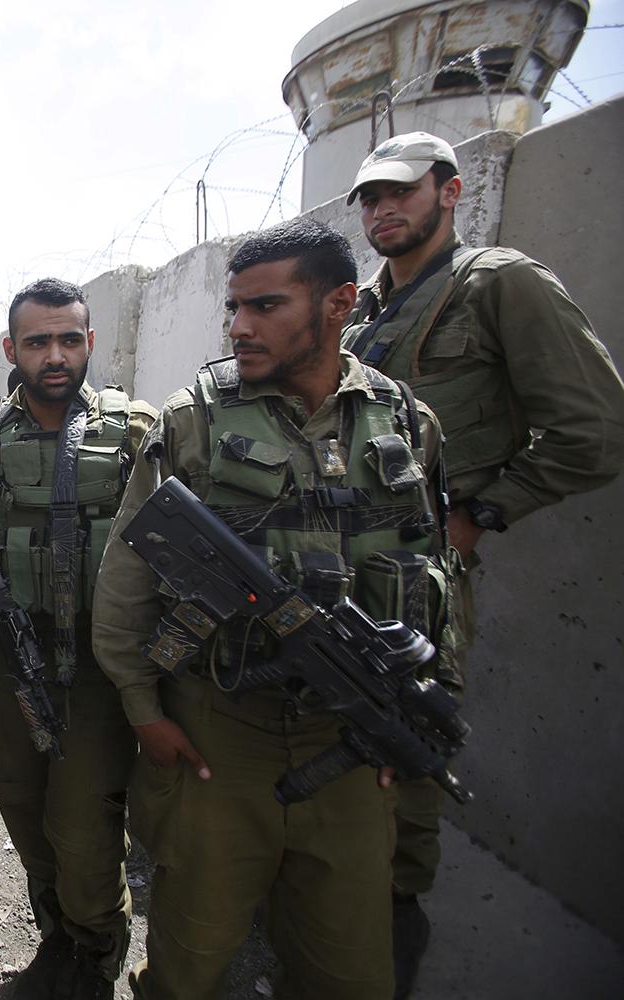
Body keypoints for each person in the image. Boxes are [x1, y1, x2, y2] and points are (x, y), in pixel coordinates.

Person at [94, 218, 449, 999]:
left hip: (351, 742)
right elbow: (127, 574)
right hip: (221, 734)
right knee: (188, 961)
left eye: (266, 306)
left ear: (339, 303)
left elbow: (433, 571)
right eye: (234, 308)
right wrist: (141, 705)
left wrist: (412, 708)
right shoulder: (197, 417)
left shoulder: (402, 419)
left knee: (349, 970)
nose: (240, 326)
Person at [341, 131, 624, 996]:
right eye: (370, 198)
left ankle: (391, 930)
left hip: (425, 569)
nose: (384, 209)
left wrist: (480, 514)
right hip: (339, 559)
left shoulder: (499, 284)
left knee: (406, 741)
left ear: (452, 191)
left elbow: (594, 432)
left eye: (402, 191)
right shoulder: (366, 313)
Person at [0, 279, 156, 999]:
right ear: (11, 351)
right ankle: (57, 937)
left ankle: (94, 957)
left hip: (100, 661)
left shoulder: (138, 429)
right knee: (25, 812)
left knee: (83, 827)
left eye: (68, 340)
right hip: (14, 655)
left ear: (89, 342)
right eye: (37, 342)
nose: (54, 355)